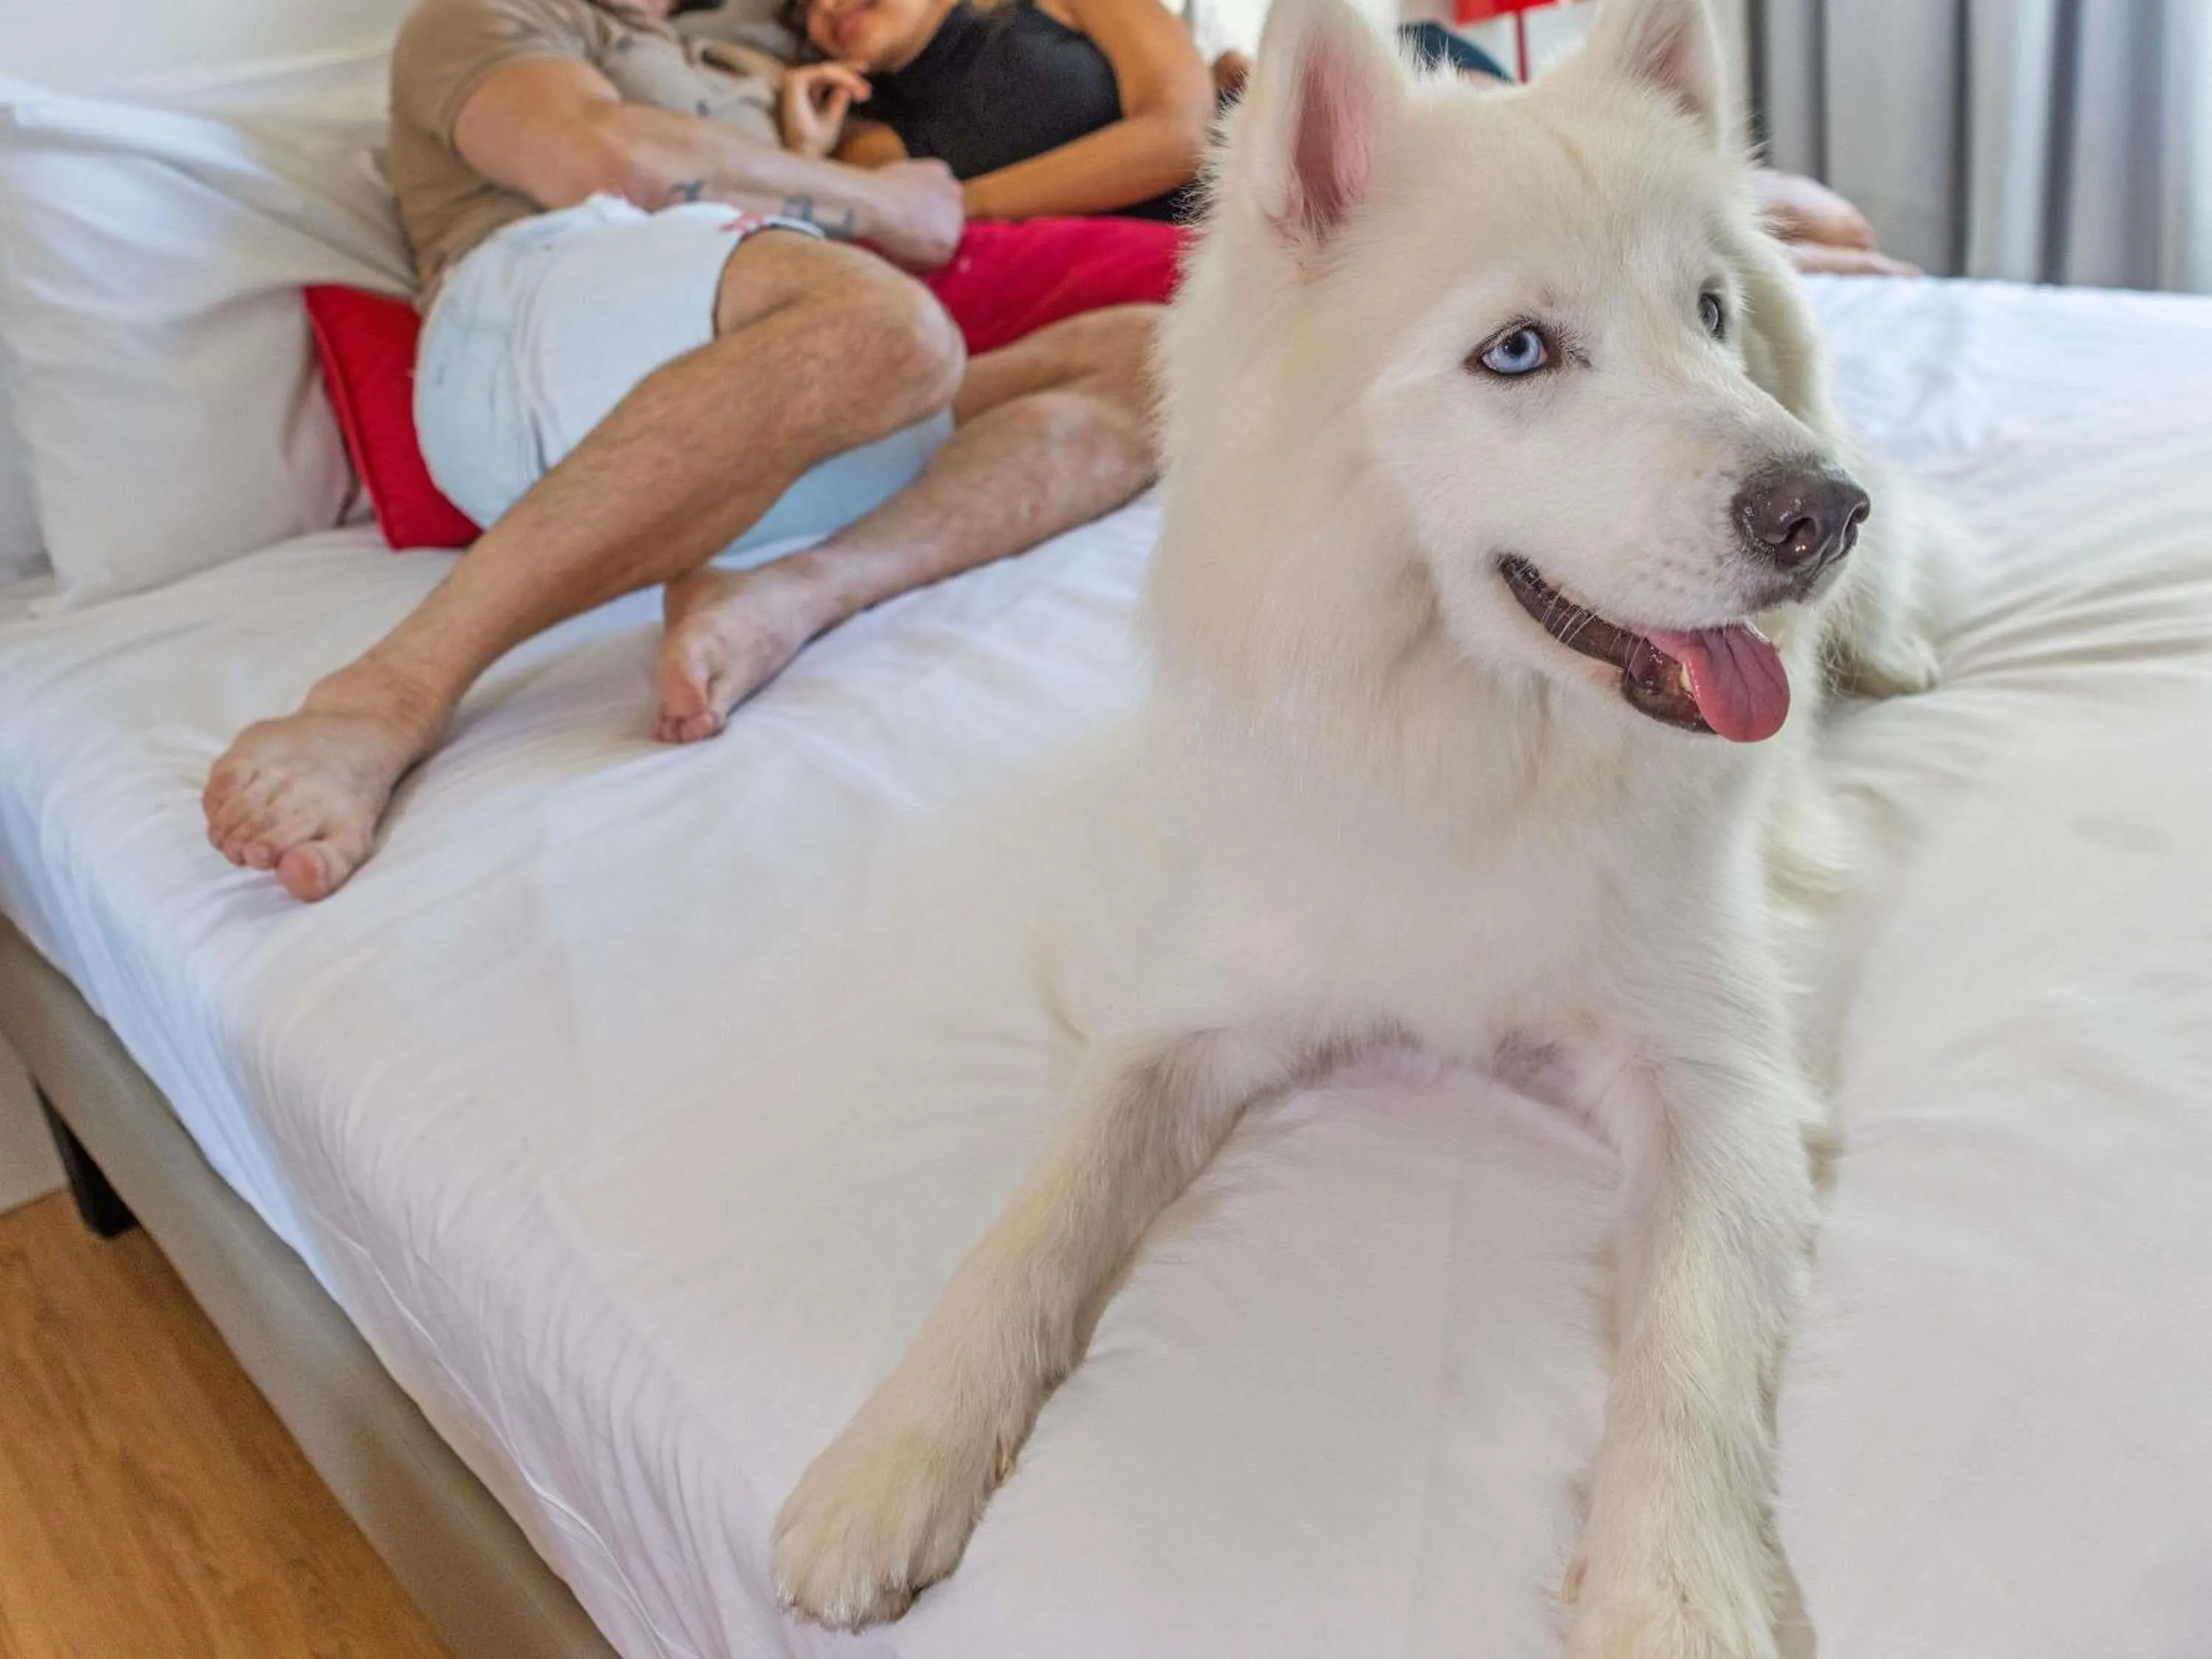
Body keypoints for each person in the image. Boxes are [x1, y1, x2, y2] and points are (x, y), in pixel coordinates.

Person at [202, 0, 1162, 903]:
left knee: (1151, 358)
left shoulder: (755, 50)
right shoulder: (493, 15)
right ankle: (383, 692)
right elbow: (605, 155)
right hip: (535, 334)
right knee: (895, 332)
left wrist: (808, 155)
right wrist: (880, 201)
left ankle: (790, 593)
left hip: (762, 407)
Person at [786, 0, 1216, 220]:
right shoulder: (873, 149)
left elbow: (1182, 137)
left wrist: (964, 204)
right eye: (804, 8)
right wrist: (806, 153)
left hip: (1238, 229)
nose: (824, 6)